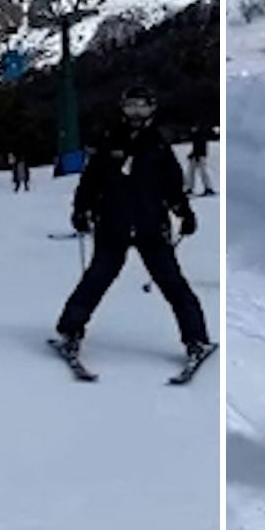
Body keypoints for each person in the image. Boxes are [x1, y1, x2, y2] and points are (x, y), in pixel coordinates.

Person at [54, 85, 212, 361]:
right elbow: (90, 180)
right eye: (131, 106)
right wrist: (81, 209)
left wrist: (184, 213)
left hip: (151, 226)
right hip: (113, 223)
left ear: (152, 109)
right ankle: (71, 331)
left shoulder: (158, 144)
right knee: (97, 279)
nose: (136, 112)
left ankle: (196, 339)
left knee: (172, 282)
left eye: (142, 106)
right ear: (122, 109)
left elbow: (173, 185)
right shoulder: (109, 140)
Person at [186, 124, 215, 196]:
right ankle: (189, 187)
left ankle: (208, 188)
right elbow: (195, 147)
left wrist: (198, 155)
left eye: (193, 127)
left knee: (202, 172)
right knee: (191, 171)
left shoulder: (200, 136)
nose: (192, 129)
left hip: (200, 156)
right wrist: (192, 154)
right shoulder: (196, 135)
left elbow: (201, 147)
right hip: (196, 155)